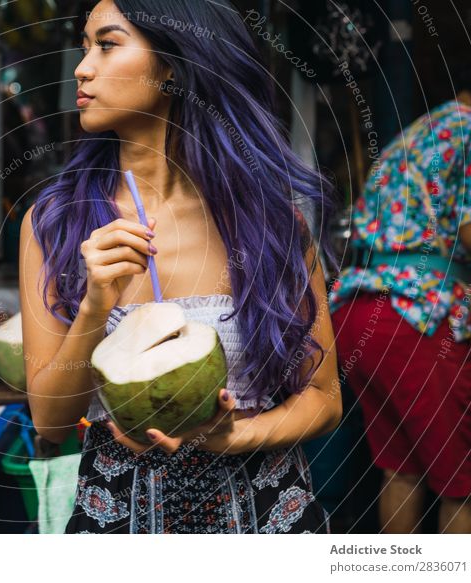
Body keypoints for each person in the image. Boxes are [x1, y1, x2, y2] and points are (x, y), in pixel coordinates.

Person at [19, 0, 342, 534]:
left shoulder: (269, 223)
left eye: (107, 44)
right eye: (84, 46)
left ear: (173, 65)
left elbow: (324, 397)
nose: (82, 67)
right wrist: (96, 304)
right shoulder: (56, 224)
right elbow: (50, 421)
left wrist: (236, 436)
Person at [327, 39, 471, 534]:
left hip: (360, 313)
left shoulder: (419, 132)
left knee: (403, 469)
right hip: (416, 318)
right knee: (468, 485)